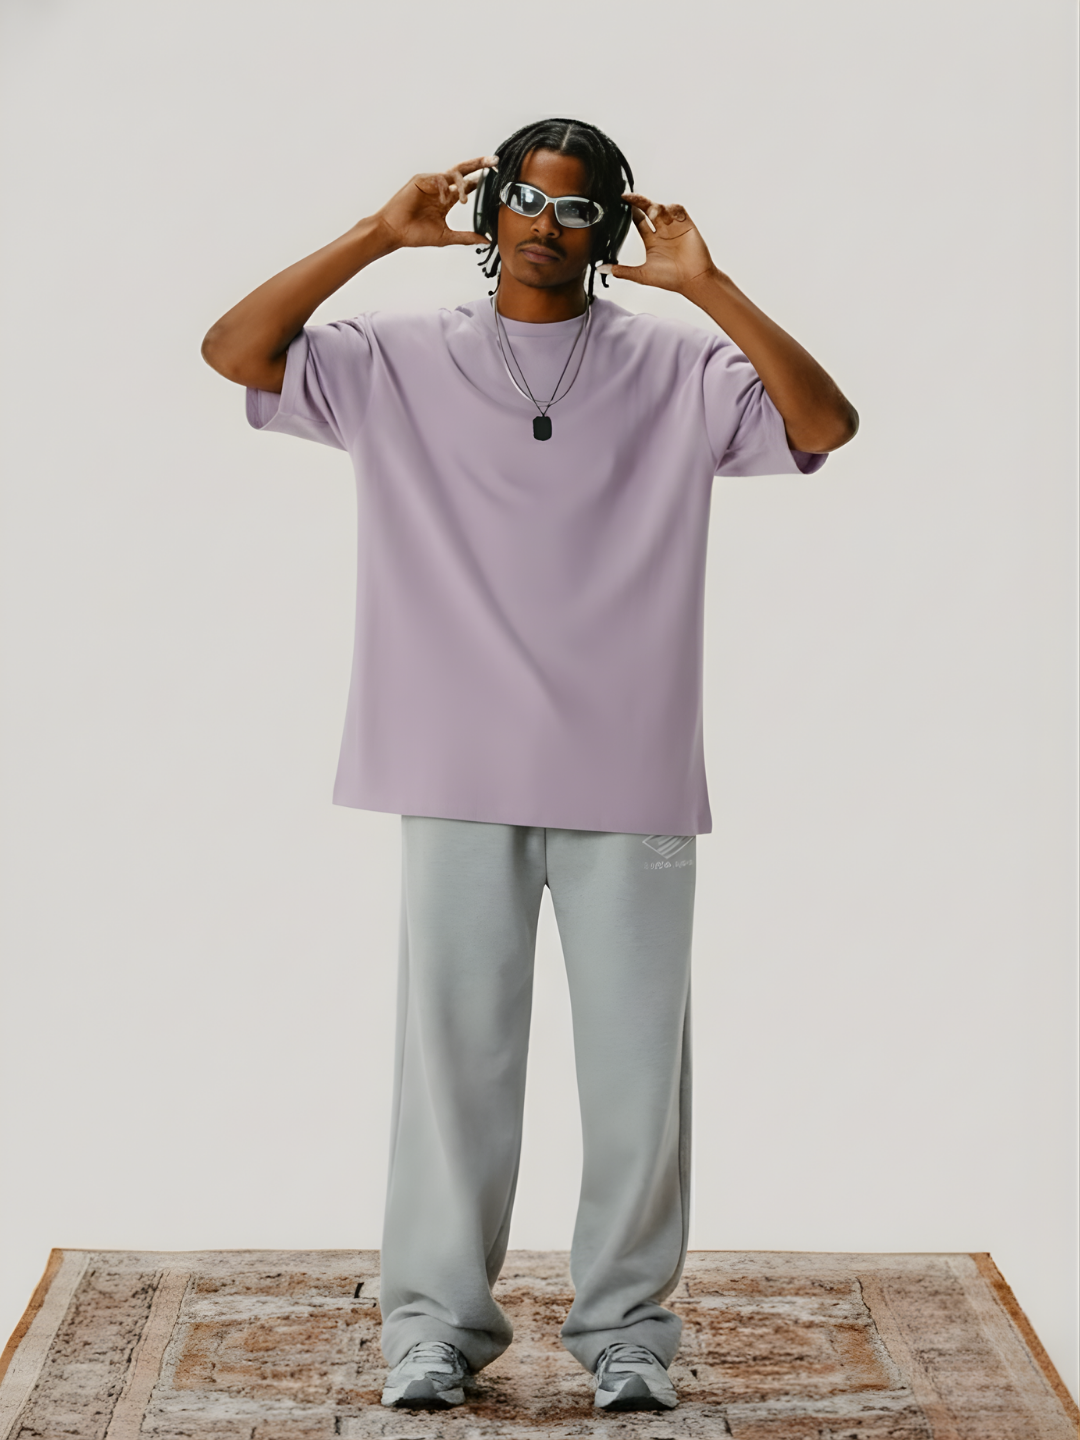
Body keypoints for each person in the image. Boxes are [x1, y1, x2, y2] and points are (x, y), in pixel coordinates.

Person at [201, 116, 857, 1414]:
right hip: (451, 761)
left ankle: (627, 1332)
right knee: (454, 1066)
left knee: (636, 1077)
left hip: (629, 769)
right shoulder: (397, 355)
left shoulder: (675, 361)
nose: (550, 228)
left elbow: (824, 423)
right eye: (530, 200)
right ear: (490, 204)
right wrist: (376, 235)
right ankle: (435, 1327)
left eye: (579, 209)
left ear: (609, 230)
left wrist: (710, 285)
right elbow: (234, 351)